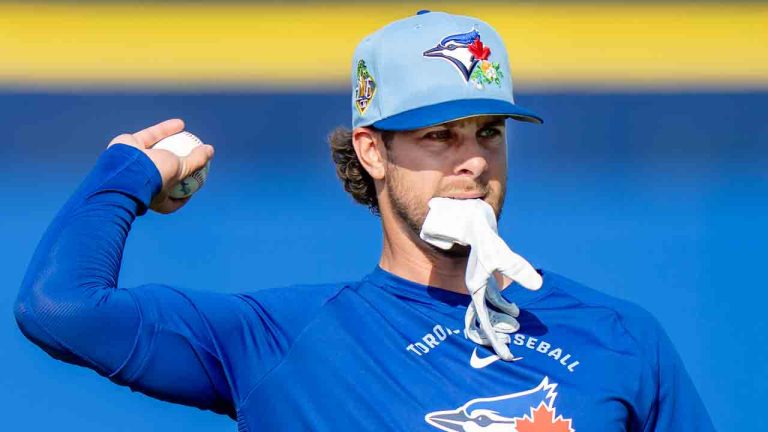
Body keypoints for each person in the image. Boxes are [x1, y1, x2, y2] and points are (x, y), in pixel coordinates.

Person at [14, 10, 714, 431]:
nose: (472, 160)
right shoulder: (282, 343)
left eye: (489, 132)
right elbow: (61, 308)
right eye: (439, 136)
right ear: (372, 151)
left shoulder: (615, 336)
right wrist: (123, 179)